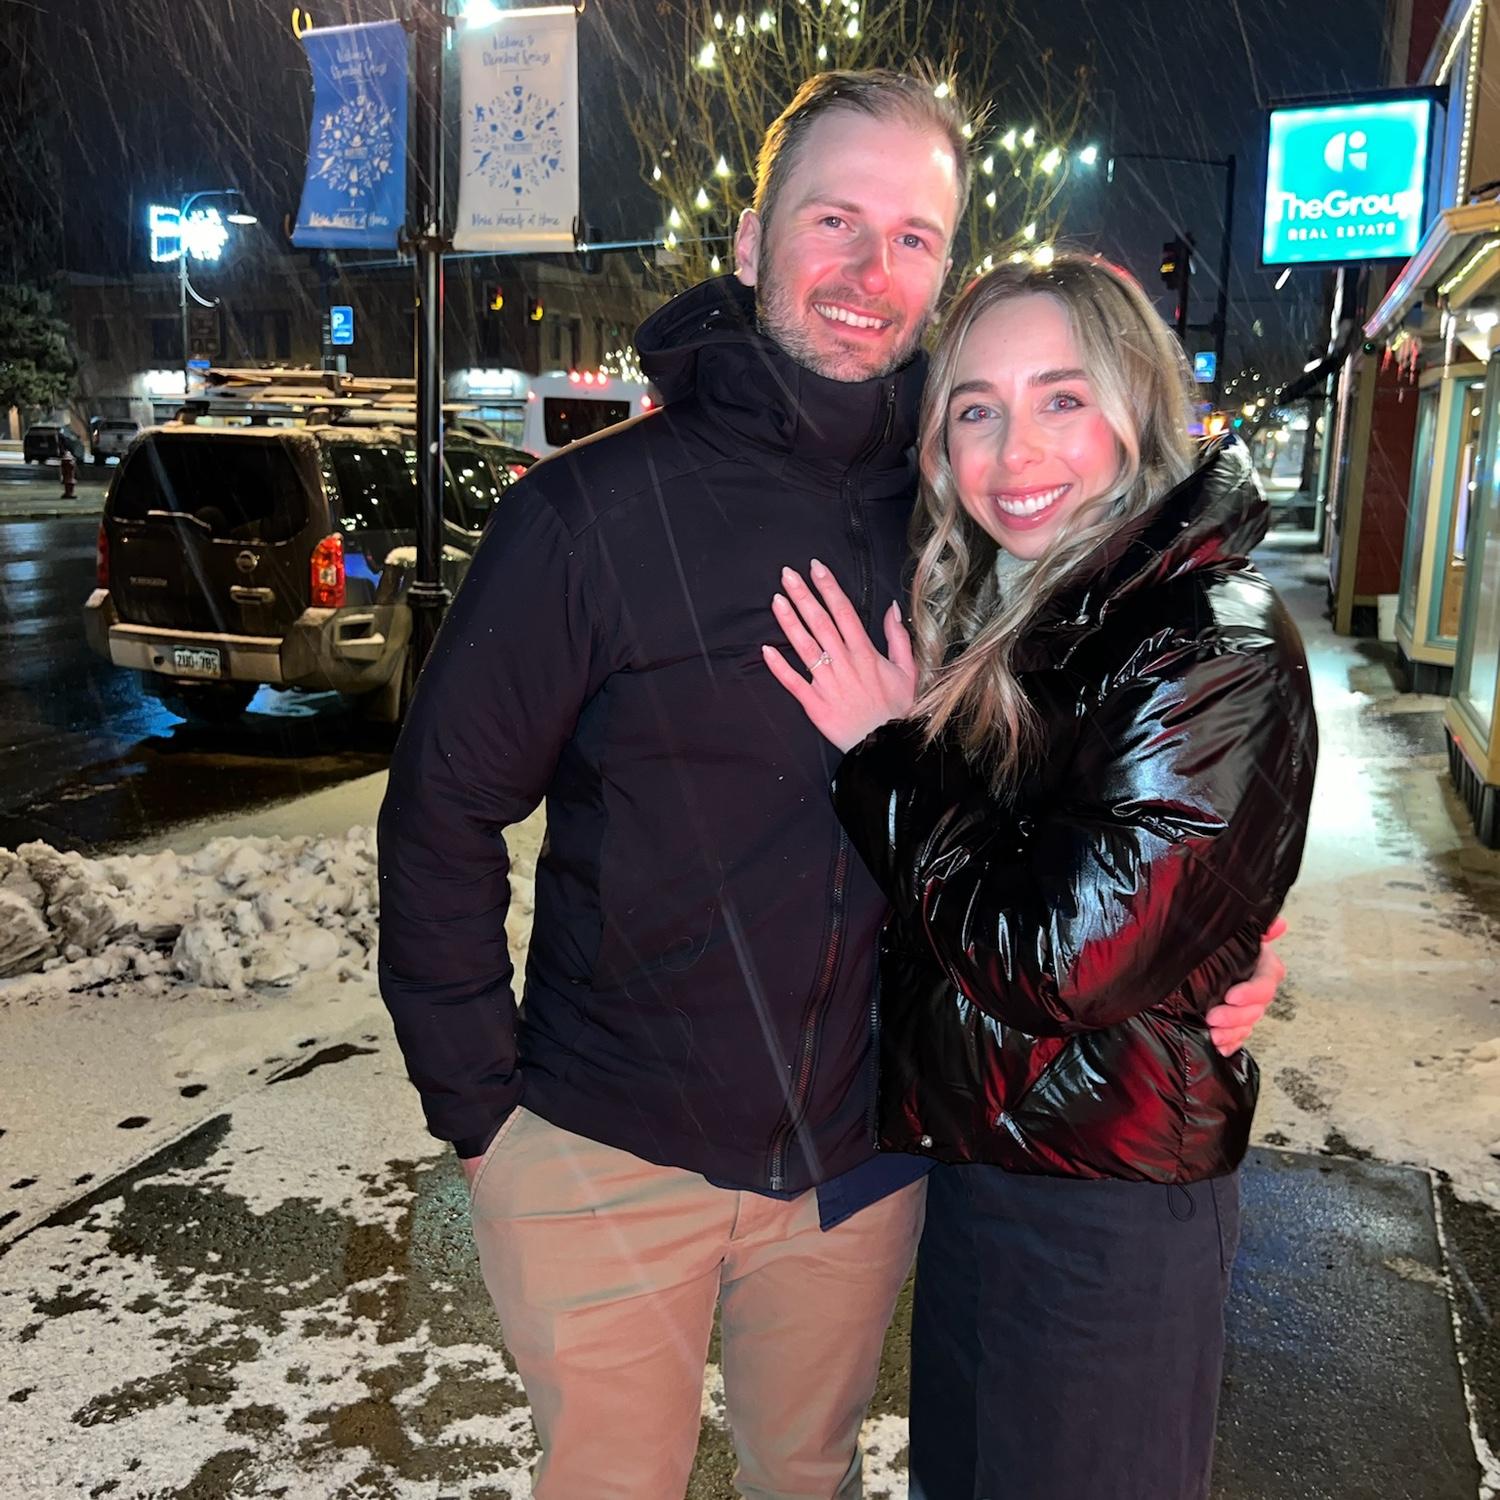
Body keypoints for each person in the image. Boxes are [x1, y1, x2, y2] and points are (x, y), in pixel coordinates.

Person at [377, 71, 1283, 1500]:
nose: (871, 273)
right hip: (610, 1156)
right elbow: (442, 812)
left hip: (862, 1168)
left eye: (915, 237)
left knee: (809, 1481)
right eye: (834, 221)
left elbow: (1122, 780)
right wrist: (484, 1115)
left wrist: (1221, 938)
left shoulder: (973, 517)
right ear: (750, 240)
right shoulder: (587, 515)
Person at [764, 253, 1317, 1500]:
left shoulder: (1201, 638)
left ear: (1135, 408)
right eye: (977, 408)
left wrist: (884, 755)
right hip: (992, 1177)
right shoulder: (1023, 609)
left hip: (1105, 1208)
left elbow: (1071, 954)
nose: (1017, 451)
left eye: (1062, 398)